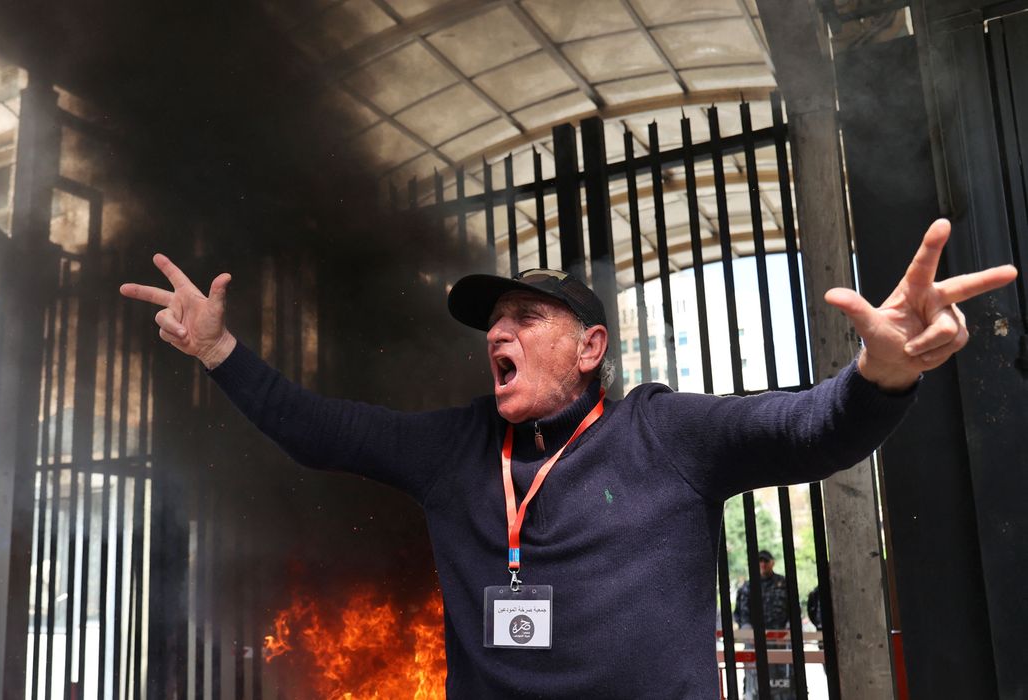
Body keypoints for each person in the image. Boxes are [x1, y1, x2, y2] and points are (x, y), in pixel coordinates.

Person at [120, 219, 1016, 697]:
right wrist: (218, 353)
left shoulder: (665, 433)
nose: (497, 334)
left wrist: (883, 368)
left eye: (525, 319)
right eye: (491, 324)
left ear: (590, 349)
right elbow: (317, 429)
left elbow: (810, 427)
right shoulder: (451, 447)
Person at [734, 550, 792, 699]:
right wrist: (748, 634)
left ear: (772, 562)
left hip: (780, 640)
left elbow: (793, 610)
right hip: (755, 641)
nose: (763, 564)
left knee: (783, 681)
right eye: (760, 561)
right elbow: (741, 614)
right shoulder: (748, 586)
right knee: (755, 682)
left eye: (766, 561)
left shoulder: (784, 584)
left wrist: (787, 633)